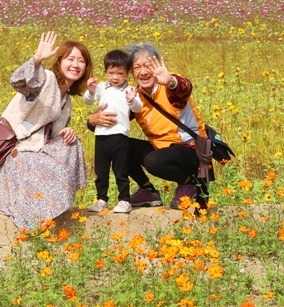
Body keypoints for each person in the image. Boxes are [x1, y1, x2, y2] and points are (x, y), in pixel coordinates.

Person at [0, 31, 91, 229]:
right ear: (59, 61)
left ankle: (51, 208)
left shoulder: (66, 99)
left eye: (81, 61)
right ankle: (33, 218)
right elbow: (21, 84)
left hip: (34, 148)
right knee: (43, 165)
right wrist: (36, 61)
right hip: (13, 149)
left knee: (72, 144)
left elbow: (49, 135)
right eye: (70, 59)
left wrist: (67, 132)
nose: (75, 65)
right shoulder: (46, 80)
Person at [88, 42, 209, 210]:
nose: (143, 72)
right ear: (131, 71)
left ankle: (188, 183)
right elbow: (114, 121)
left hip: (190, 150)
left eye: (147, 66)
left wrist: (171, 81)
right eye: (137, 67)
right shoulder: (135, 95)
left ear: (157, 65)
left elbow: (184, 87)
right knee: (119, 144)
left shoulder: (168, 86)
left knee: (153, 160)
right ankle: (148, 190)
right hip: (162, 149)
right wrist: (92, 120)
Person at [84, 49, 143, 214]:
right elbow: (88, 101)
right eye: (111, 73)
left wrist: (131, 100)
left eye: (120, 73)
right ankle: (101, 199)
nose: (115, 77)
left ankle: (124, 200)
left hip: (119, 136)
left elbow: (138, 107)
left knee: (121, 171)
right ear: (105, 72)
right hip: (101, 136)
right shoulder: (102, 87)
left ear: (127, 73)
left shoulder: (130, 90)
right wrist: (90, 91)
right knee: (100, 172)